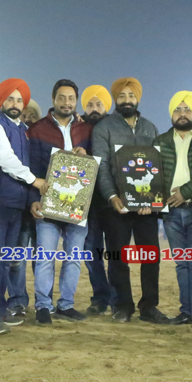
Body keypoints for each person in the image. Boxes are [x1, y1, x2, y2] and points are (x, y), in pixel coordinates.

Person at [91, 77, 166, 324]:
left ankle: (149, 306)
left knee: (150, 256)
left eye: (131, 96)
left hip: (146, 208)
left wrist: (151, 201)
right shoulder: (104, 128)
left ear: (138, 98)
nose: (126, 100)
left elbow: (157, 167)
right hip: (116, 206)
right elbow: (101, 166)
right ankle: (122, 305)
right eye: (121, 96)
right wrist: (112, 196)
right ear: (115, 99)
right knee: (117, 257)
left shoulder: (150, 128)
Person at [0, 78, 46, 334]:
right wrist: (35, 181)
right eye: (10, 99)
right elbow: (5, 159)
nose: (15, 104)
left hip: (16, 205)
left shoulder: (22, 130)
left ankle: (1, 308)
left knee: (5, 261)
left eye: (19, 100)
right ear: (1, 101)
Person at [27, 79, 94, 324]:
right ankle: (43, 306)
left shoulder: (87, 130)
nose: (67, 102)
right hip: (48, 203)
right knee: (45, 256)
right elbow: (31, 167)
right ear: (53, 99)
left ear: (76, 101)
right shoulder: (38, 129)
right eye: (62, 98)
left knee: (74, 258)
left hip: (78, 204)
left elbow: (97, 163)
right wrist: (33, 200)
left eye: (71, 98)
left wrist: (86, 154)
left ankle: (66, 304)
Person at [153, 91, 192, 330]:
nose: (182, 114)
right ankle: (186, 311)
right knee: (182, 263)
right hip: (171, 213)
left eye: (187, 109)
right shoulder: (160, 142)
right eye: (178, 109)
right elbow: (152, 174)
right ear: (171, 113)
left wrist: (185, 192)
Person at [79, 84, 117, 315]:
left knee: (114, 253)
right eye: (90, 104)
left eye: (99, 104)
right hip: (87, 202)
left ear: (106, 106)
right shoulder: (77, 128)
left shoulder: (115, 127)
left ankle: (117, 298)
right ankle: (101, 297)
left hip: (111, 201)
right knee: (91, 253)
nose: (94, 108)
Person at [6, 99, 41, 317]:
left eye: (32, 116)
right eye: (24, 116)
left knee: (42, 260)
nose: (27, 120)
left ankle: (43, 301)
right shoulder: (11, 141)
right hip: (19, 209)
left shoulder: (43, 142)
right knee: (16, 259)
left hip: (41, 210)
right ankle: (17, 300)